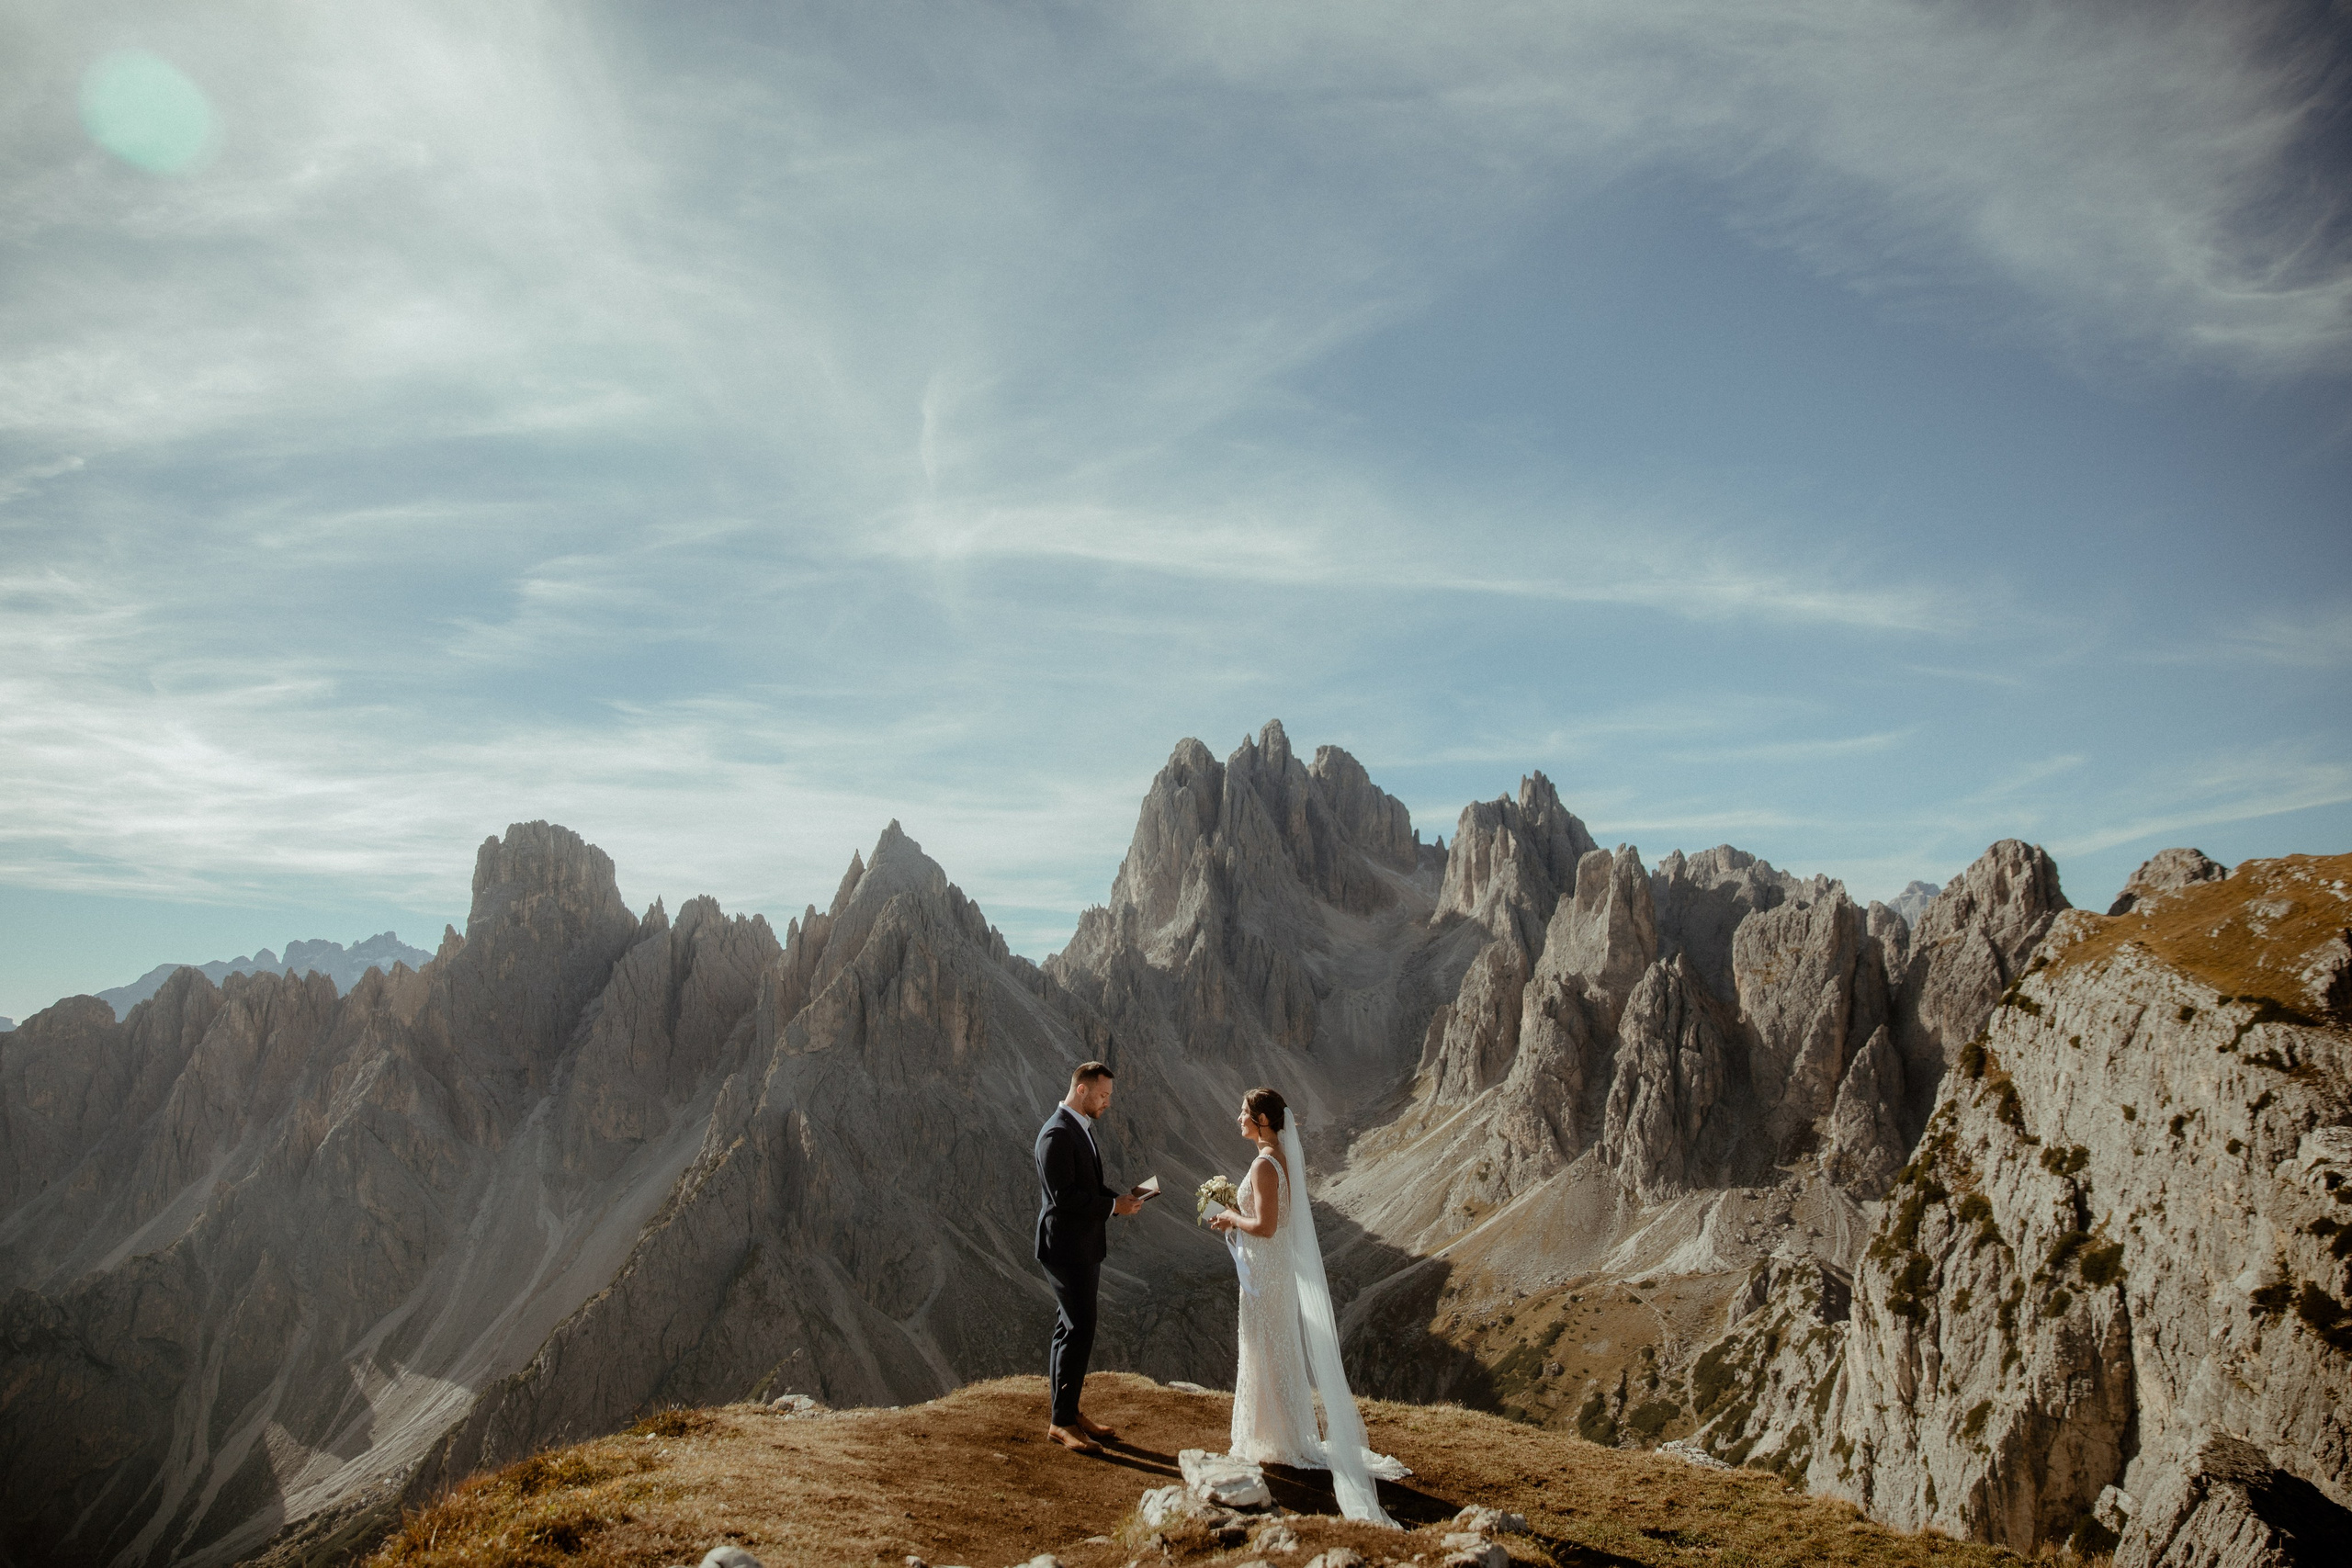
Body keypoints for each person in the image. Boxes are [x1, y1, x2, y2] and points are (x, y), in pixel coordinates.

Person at [1208, 1086, 1406, 1525]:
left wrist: (1228, 1218)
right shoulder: (1280, 1156)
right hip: (1271, 1270)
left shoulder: (1264, 1163)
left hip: (1265, 1272)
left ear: (1262, 1121)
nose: (1237, 1118)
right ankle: (1277, 1433)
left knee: (1264, 1348)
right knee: (1271, 1349)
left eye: (1243, 1113)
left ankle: (1273, 1439)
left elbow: (1264, 1224)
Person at [1035, 1060, 1144, 1454]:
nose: (1107, 1103)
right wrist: (1113, 1207)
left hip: (1081, 1245)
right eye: (1103, 1095)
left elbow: (1089, 1186)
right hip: (1064, 1249)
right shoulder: (1056, 1135)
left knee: (1069, 1329)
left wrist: (1120, 1199)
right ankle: (1061, 1422)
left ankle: (1068, 1411)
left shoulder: (1079, 1129)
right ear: (1081, 1090)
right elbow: (1064, 1197)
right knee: (1079, 1328)